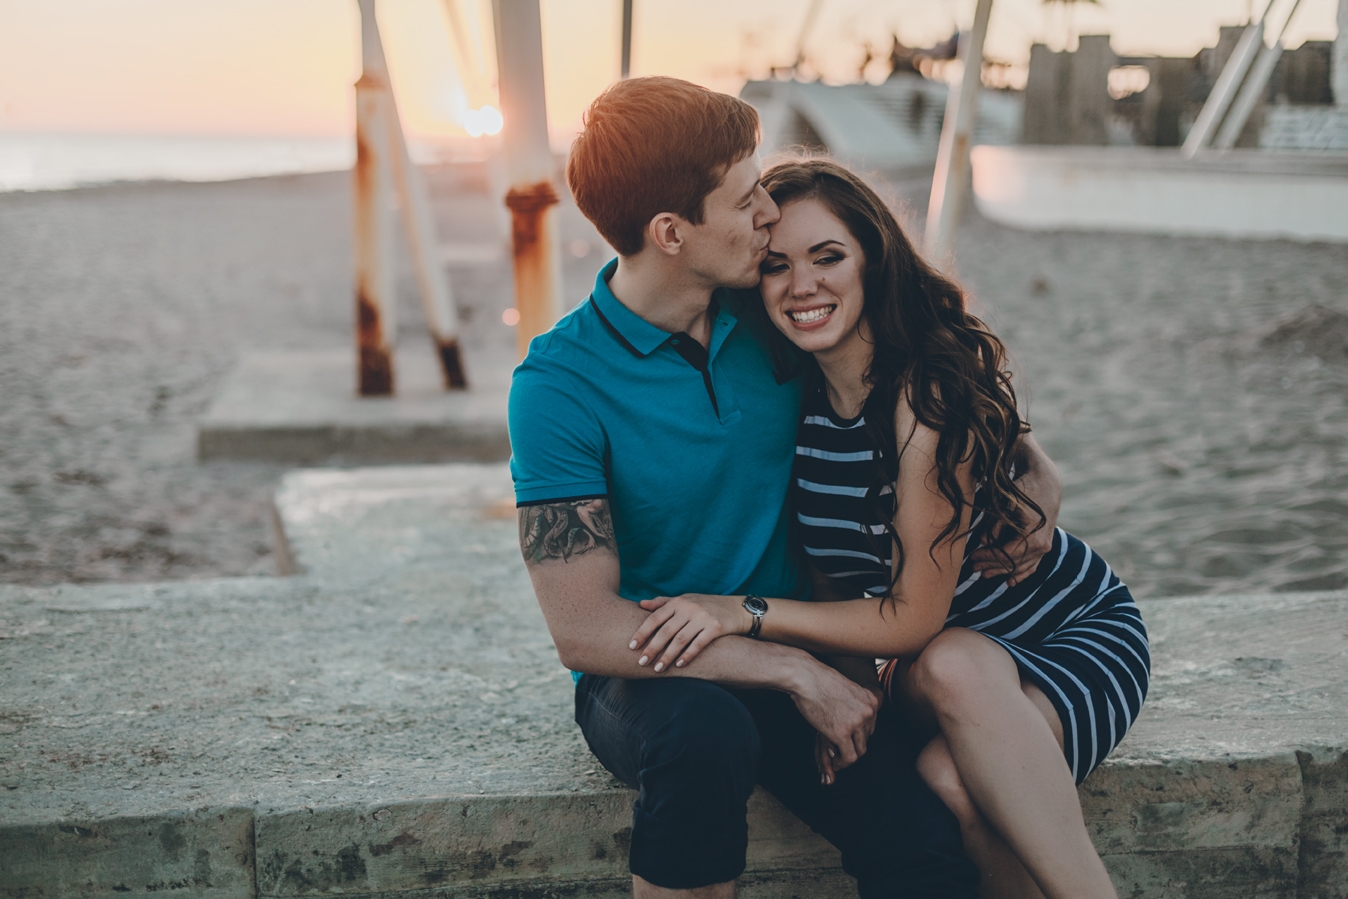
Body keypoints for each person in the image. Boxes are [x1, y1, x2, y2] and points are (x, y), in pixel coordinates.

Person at [508, 77, 1061, 899]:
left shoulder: (771, 312)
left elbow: (922, 361)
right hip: (656, 680)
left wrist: (1036, 473)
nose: (769, 213)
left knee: (926, 846)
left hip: (800, 644)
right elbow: (585, 631)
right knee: (704, 733)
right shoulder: (559, 384)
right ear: (671, 231)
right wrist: (797, 676)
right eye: (744, 198)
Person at [627, 159, 1151, 899]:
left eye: (828, 256)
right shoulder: (789, 391)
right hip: (934, 662)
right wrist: (833, 689)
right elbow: (836, 575)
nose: (801, 284)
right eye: (776, 264)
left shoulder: (925, 397)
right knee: (949, 678)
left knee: (949, 749)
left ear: (875, 258)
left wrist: (740, 613)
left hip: (1058, 627)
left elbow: (913, 618)